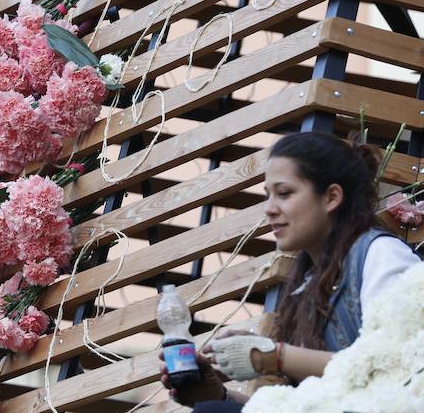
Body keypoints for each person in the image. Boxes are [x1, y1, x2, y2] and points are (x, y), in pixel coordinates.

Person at [158, 131, 421, 411]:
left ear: (332, 197)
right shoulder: (307, 282)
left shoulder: (382, 256)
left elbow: (395, 363)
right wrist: (216, 395)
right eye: (267, 196)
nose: (269, 209)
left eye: (284, 193)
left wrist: (273, 356)